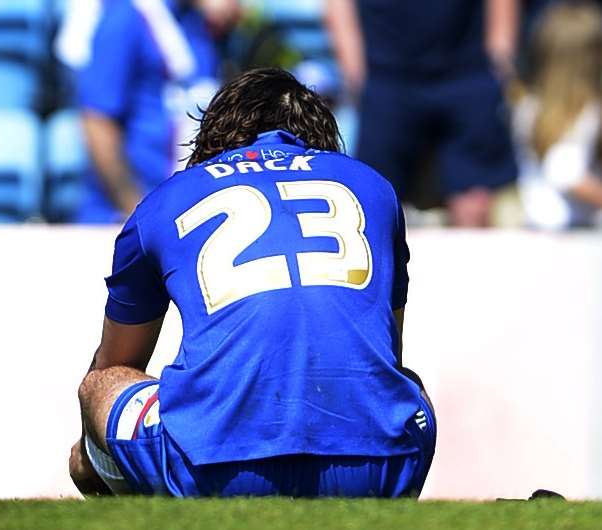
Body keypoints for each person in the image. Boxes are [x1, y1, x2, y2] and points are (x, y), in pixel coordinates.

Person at [68, 68, 436, 497]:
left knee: (103, 384)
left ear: (213, 140)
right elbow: (385, 357)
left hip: (217, 471)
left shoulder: (163, 202)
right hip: (377, 467)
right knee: (408, 388)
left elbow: (116, 362)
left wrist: (89, 457)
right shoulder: (374, 189)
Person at [325, 0, 520, 227]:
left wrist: (501, 59)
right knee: (375, 201)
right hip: (387, 76)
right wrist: (356, 73)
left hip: (466, 71)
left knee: (473, 201)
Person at [75, 0, 239, 223]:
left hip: (188, 215)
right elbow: (97, 122)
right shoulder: (128, 17)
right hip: (125, 218)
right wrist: (135, 212)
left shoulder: (201, 24)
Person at [511, 0, 602, 230]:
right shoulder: (581, 112)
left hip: (538, 227)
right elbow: (564, 172)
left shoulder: (527, 105)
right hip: (568, 236)